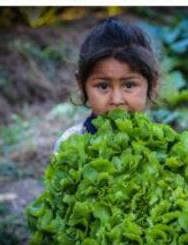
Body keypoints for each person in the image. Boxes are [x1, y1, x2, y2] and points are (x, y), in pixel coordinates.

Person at [54, 17, 158, 153]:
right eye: (103, 86)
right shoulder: (69, 144)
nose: (116, 100)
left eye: (129, 85)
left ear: (152, 82)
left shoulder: (159, 144)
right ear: (81, 83)